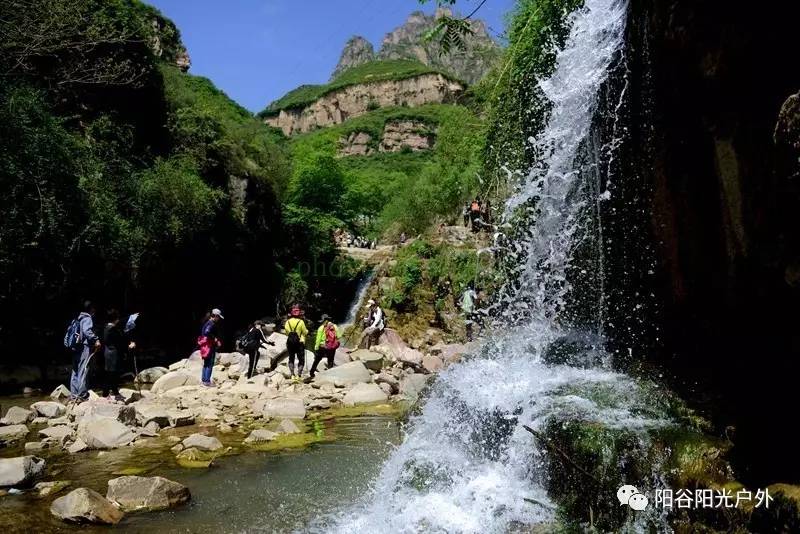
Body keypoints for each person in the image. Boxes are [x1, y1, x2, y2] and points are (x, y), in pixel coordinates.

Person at [68, 301, 100, 401]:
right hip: (84, 347)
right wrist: (96, 340)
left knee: (75, 370)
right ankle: (81, 395)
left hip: (75, 347)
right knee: (83, 369)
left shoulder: (77, 318)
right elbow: (87, 331)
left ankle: (74, 395)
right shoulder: (87, 318)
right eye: (93, 308)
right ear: (91, 309)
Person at [102, 308, 135, 400]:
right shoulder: (112, 329)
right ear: (115, 318)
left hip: (109, 353)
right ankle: (107, 394)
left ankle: (112, 392)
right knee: (111, 375)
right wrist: (129, 346)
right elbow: (119, 342)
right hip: (113, 354)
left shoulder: (106, 327)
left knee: (111, 374)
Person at [198, 308, 223, 386]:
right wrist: (215, 339)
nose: (218, 319)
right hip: (209, 346)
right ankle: (207, 381)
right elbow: (207, 332)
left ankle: (204, 380)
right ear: (215, 316)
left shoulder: (206, 323)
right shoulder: (211, 324)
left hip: (205, 346)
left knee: (206, 363)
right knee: (210, 363)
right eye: (218, 317)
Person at [283, 304, 309, 381]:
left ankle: (292, 375)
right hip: (300, 343)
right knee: (301, 359)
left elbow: (287, 333)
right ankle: (299, 375)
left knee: (291, 358)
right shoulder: (301, 322)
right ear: (299, 314)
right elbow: (305, 332)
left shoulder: (287, 322)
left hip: (290, 342)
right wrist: (307, 331)